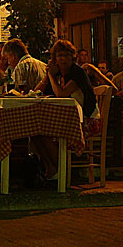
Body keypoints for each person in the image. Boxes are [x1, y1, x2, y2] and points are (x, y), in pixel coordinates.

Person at [33, 40, 100, 177]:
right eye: (59, 56)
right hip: (65, 120)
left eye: (66, 55)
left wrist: (51, 75)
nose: (63, 59)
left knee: (44, 133)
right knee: (34, 132)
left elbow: (61, 94)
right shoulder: (58, 74)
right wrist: (48, 75)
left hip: (85, 120)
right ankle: (53, 169)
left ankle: (61, 170)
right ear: (54, 59)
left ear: (72, 57)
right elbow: (36, 91)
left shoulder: (78, 72)